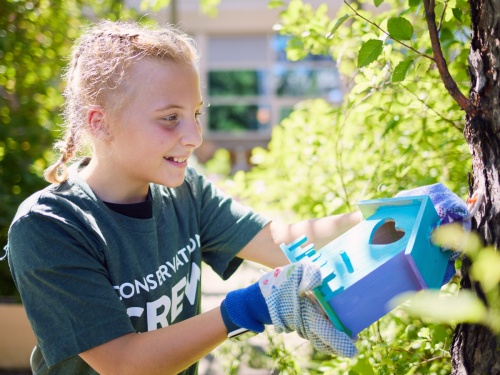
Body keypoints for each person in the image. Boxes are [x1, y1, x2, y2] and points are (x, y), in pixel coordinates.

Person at [5, 20, 363, 375]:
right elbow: (124, 364)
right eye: (170, 118)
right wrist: (247, 307)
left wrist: (380, 216)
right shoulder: (49, 226)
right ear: (99, 123)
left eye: (195, 114)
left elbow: (281, 244)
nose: (194, 136)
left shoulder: (185, 191)